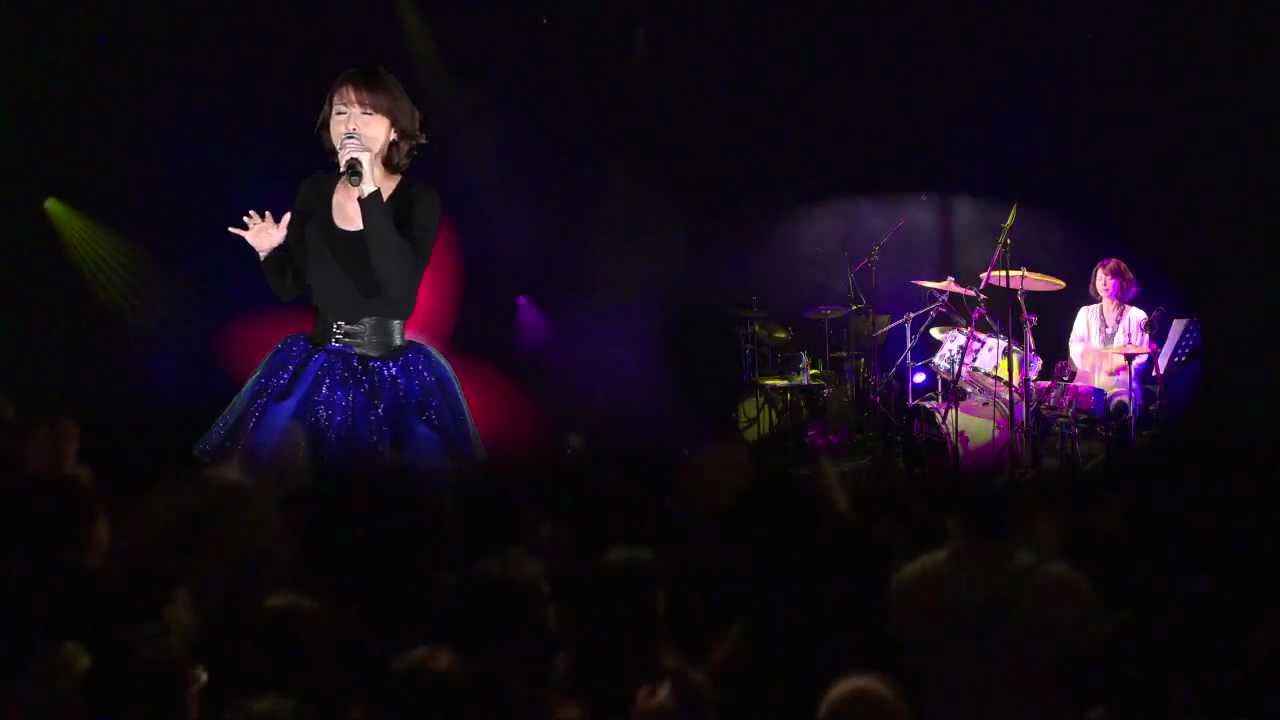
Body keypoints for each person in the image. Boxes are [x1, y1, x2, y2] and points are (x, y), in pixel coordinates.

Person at [195, 65, 484, 477]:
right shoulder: (314, 191)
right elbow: (289, 288)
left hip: (391, 368)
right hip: (317, 362)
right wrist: (269, 252)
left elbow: (399, 292)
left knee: (395, 483)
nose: (350, 124)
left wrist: (368, 191)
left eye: (366, 113)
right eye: (340, 112)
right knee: (287, 476)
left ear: (395, 131)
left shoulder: (418, 200)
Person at [1068, 257, 1150, 416]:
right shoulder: (1085, 313)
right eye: (1099, 279)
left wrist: (1118, 366)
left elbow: (1141, 357)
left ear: (1122, 281)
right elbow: (1075, 345)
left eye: (1109, 278)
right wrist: (1096, 360)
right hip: (1089, 388)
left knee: (1120, 409)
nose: (1103, 283)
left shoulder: (1138, 316)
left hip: (1123, 389)